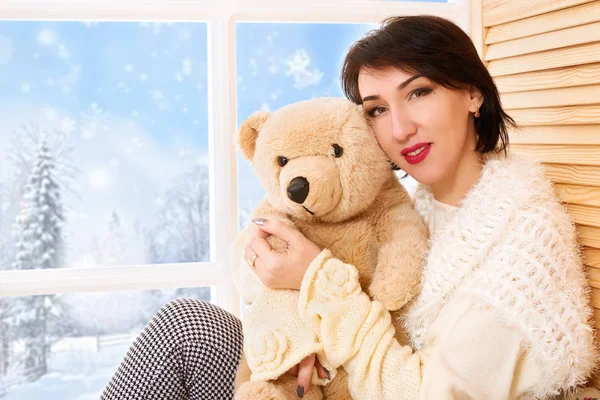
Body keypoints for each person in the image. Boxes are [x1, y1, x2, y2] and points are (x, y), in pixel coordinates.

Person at [102, 15, 597, 400]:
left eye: (419, 92)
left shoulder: (520, 246)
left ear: (472, 93)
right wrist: (299, 335)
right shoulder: (417, 205)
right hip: (326, 383)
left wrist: (316, 281)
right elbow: (258, 256)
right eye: (377, 109)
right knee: (190, 326)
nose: (399, 128)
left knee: (187, 329)